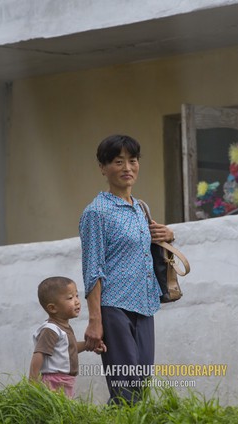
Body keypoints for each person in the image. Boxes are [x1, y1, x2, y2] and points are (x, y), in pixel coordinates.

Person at [79, 134, 175, 404]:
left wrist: (168, 235)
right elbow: (93, 269)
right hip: (114, 308)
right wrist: (95, 321)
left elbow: (151, 248)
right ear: (103, 168)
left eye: (132, 161)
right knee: (125, 389)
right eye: (118, 162)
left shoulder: (141, 208)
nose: (127, 168)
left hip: (145, 306)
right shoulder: (96, 213)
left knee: (141, 387)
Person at [29, 276, 106, 397]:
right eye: (70, 298)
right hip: (53, 381)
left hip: (66, 380)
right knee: (57, 412)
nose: (76, 301)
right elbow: (39, 353)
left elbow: (71, 347)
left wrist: (89, 345)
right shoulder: (50, 330)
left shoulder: (63, 328)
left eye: (77, 295)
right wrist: (33, 381)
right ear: (53, 308)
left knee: (65, 412)